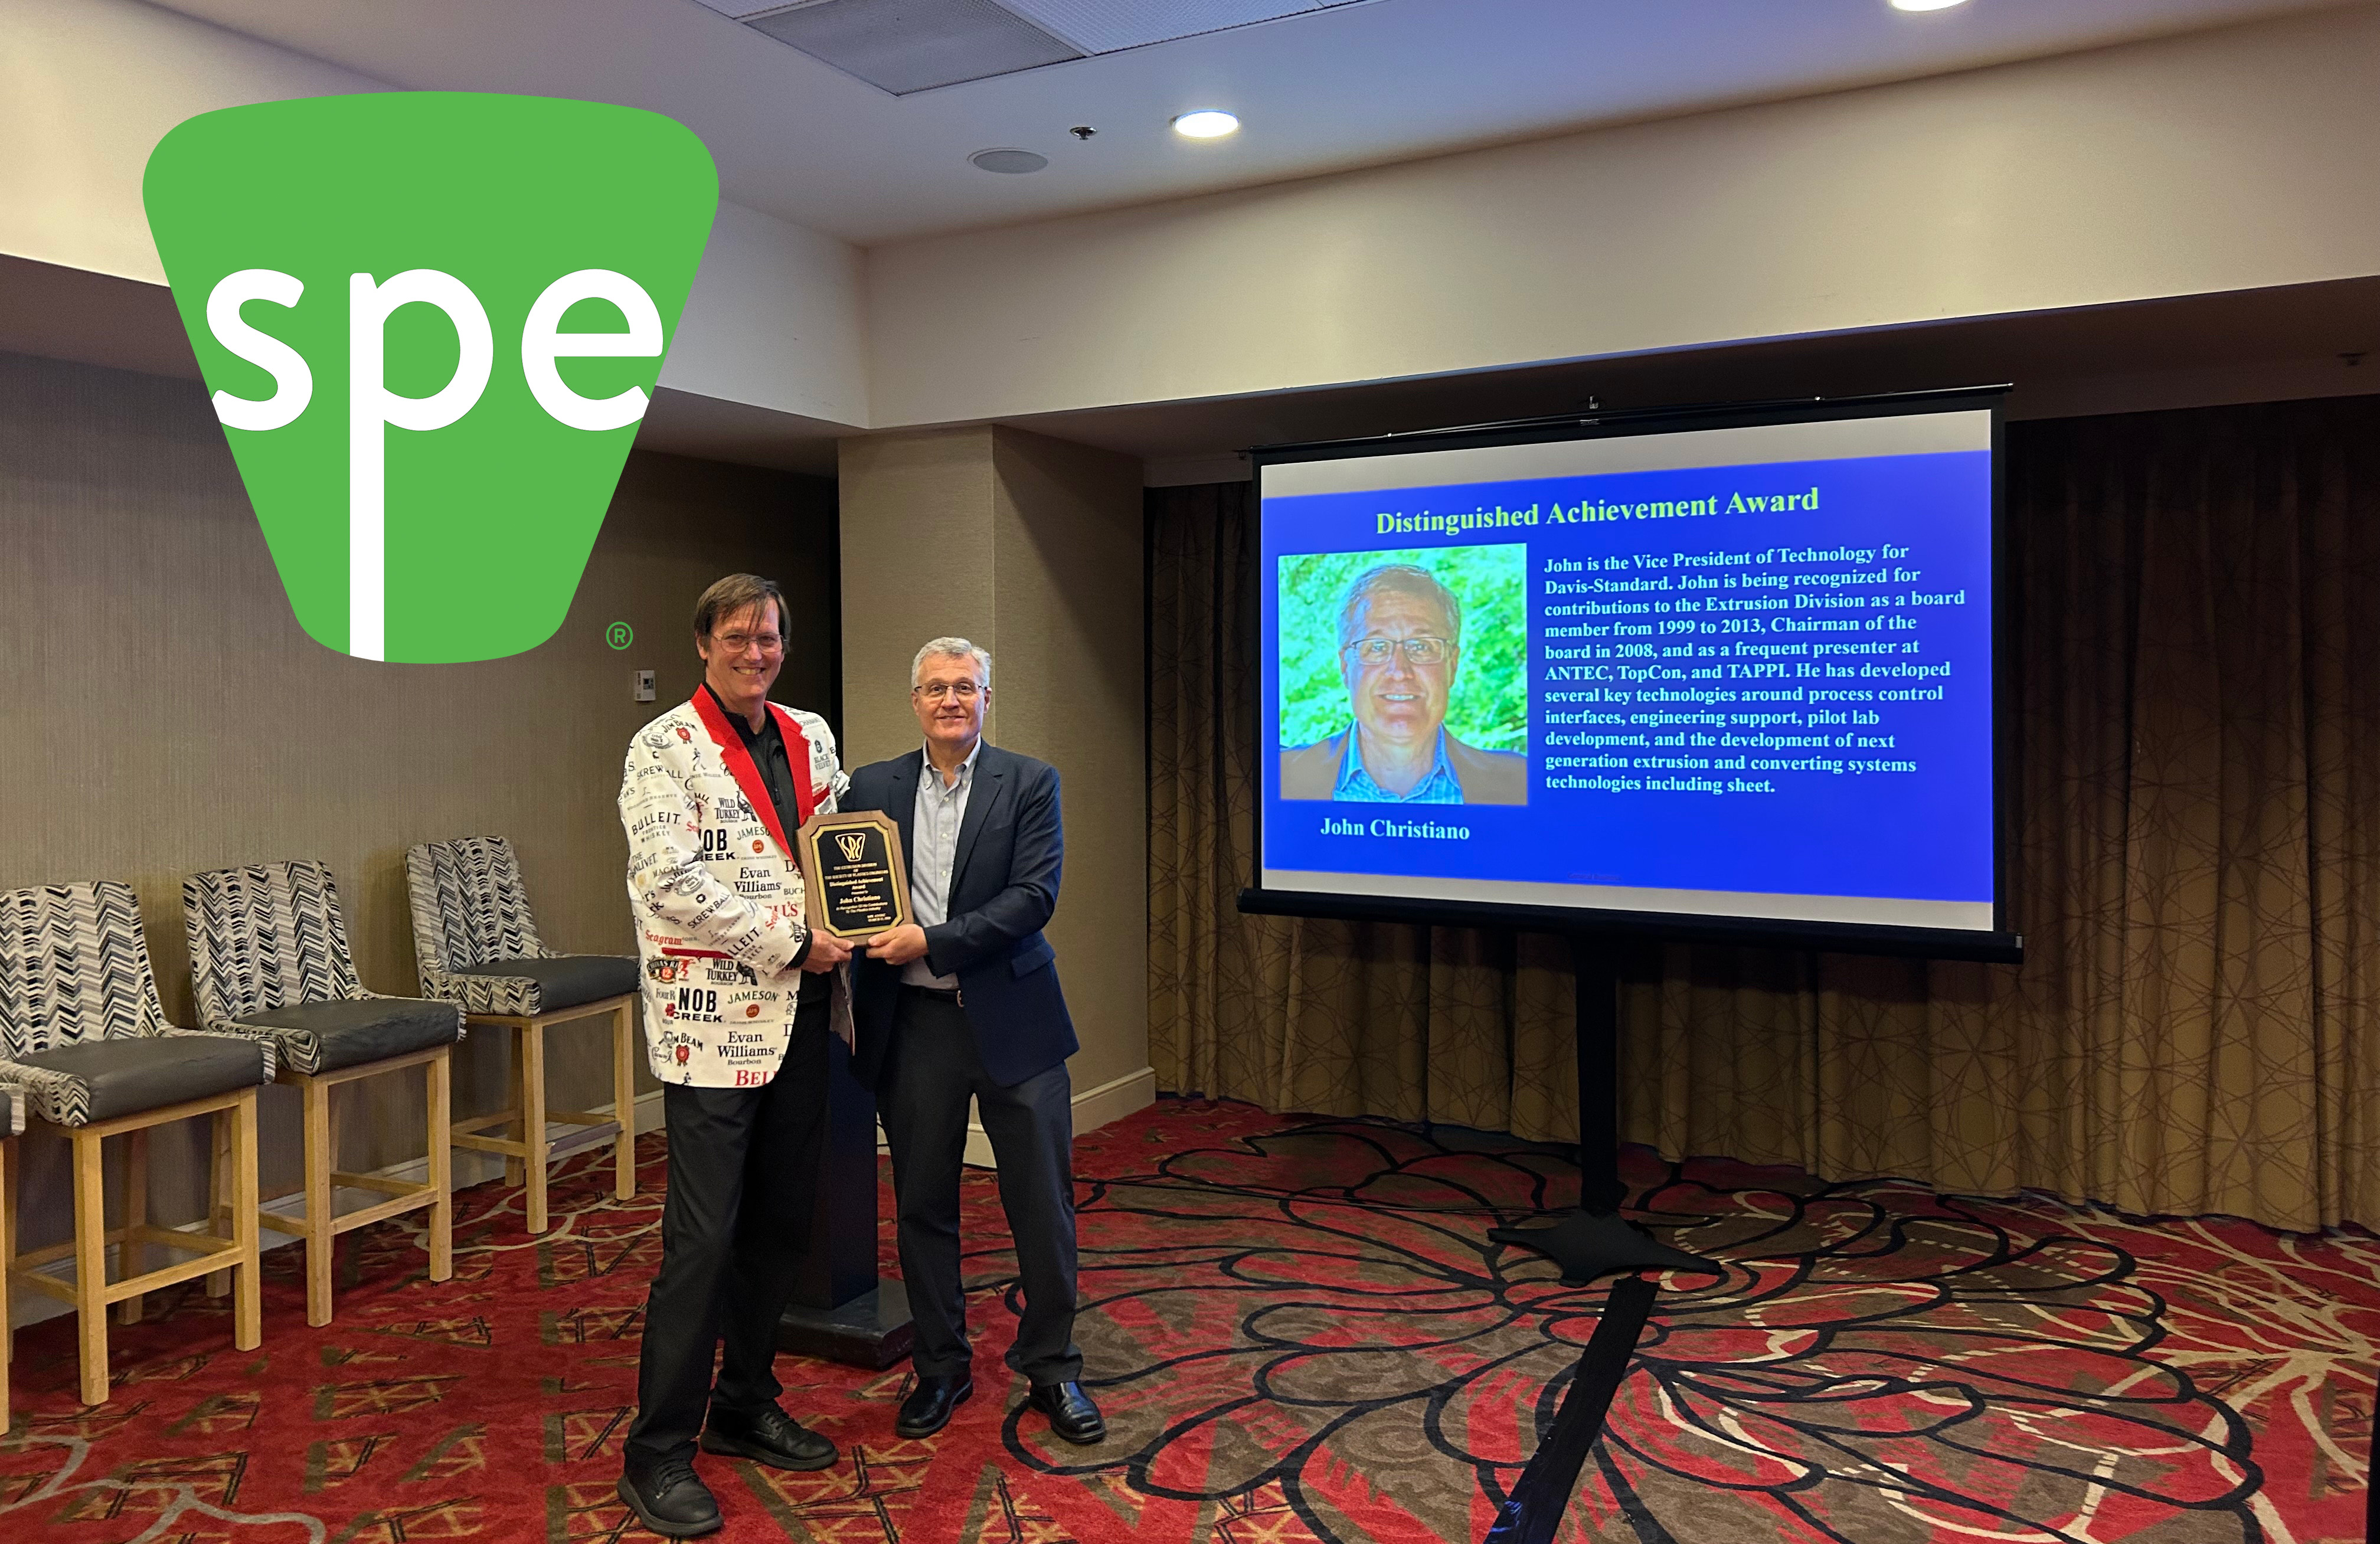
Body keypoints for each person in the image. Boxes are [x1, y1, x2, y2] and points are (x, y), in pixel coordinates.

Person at [614, 573, 854, 1540]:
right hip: (711, 1026)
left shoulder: (811, 734)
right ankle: (657, 1450)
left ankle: (745, 1403)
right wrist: (791, 941)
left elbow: (835, 849)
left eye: (770, 638)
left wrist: (859, 915)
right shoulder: (663, 745)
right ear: (703, 643)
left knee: (782, 1226)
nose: (756, 653)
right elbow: (665, 879)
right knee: (703, 1241)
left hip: (806, 1014)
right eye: (737, 637)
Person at [841, 637, 1104, 1447]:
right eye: (935, 688)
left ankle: (1053, 1367)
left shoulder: (1030, 782)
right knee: (922, 1202)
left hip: (1015, 1020)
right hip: (914, 1025)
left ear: (988, 698)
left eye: (965, 687)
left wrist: (932, 940)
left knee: (1041, 1203)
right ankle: (941, 1366)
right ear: (914, 701)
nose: (950, 700)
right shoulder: (869, 787)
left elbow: (1034, 897)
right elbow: (847, 889)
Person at [1279, 562, 1526, 804]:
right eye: (1377, 647)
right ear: (1345, 667)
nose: (1399, 672)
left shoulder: (1522, 784)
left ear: (1452, 665)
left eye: (1421, 647)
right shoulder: (1277, 777)